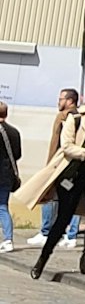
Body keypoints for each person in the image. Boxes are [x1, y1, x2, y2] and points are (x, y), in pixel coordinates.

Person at [32, 82, 85, 279]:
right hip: (74, 173)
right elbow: (67, 146)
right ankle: (43, 258)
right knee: (63, 218)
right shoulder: (76, 117)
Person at [39, 88, 80, 247]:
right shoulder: (80, 117)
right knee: (71, 197)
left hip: (62, 164)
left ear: (69, 101)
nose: (58, 102)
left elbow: (58, 143)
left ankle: (47, 231)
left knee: (50, 194)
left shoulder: (65, 116)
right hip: (71, 164)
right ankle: (70, 234)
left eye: (61, 99)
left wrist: (51, 163)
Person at [0, 101, 19, 253]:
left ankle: (7, 240)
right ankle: (8, 239)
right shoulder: (14, 132)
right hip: (7, 174)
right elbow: (18, 154)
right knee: (3, 206)